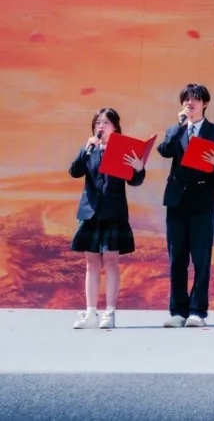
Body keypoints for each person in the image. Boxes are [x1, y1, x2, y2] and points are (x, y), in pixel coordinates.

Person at [156, 83, 214, 328]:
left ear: (205, 103)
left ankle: (197, 311)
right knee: (177, 258)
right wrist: (179, 127)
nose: (189, 103)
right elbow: (164, 151)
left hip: (202, 202)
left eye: (195, 99)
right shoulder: (176, 129)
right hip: (176, 201)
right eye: (186, 100)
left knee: (201, 258)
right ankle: (177, 311)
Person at [69, 108, 146, 330]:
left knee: (111, 262)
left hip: (113, 213)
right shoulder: (89, 149)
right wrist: (86, 151)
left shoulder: (123, 150)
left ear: (115, 127)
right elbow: (74, 171)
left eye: (105, 122)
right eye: (97, 122)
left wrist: (138, 168)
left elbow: (135, 181)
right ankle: (90, 313)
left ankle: (109, 313)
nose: (101, 126)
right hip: (91, 212)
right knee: (91, 263)